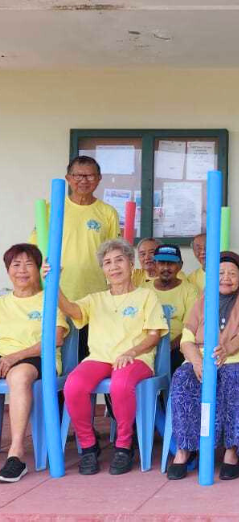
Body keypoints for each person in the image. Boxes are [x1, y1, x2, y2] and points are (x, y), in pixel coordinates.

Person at [50, 239, 168, 476]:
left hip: (137, 358)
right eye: (107, 262)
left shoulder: (146, 296)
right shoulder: (95, 299)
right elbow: (72, 310)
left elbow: (154, 335)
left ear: (130, 263)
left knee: (121, 384)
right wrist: (54, 282)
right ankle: (88, 446)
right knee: (74, 385)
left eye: (119, 260)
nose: (113, 267)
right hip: (100, 358)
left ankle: (124, 445)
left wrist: (131, 352)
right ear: (103, 270)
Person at [167, 251, 239, 481]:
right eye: (220, 273)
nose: (226, 278)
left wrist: (227, 348)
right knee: (183, 378)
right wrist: (198, 362)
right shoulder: (201, 302)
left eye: (232, 273)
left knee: (235, 378)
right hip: (200, 356)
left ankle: (232, 451)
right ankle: (185, 449)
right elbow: (187, 339)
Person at [29, 156, 119, 361]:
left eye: (89, 175)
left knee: (97, 359)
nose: (84, 180)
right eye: (78, 175)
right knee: (58, 360)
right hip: (57, 293)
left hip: (95, 298)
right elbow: (35, 252)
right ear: (68, 178)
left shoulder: (107, 213)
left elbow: (114, 254)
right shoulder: (52, 210)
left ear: (98, 179)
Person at [0, 244, 69, 482]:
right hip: (4, 359)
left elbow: (57, 338)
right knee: (13, 372)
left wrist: (15, 357)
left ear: (39, 269)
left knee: (18, 376)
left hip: (37, 359)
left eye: (28, 264)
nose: (21, 270)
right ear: (8, 270)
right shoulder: (2, 302)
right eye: (15, 265)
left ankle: (16, 453)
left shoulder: (47, 299)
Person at [150, 245, 199, 372]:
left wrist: (167, 347)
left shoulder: (190, 290)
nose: (166, 268)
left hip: (177, 346)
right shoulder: (144, 290)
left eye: (171, 263)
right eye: (161, 263)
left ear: (180, 265)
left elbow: (190, 328)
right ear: (154, 265)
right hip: (147, 346)